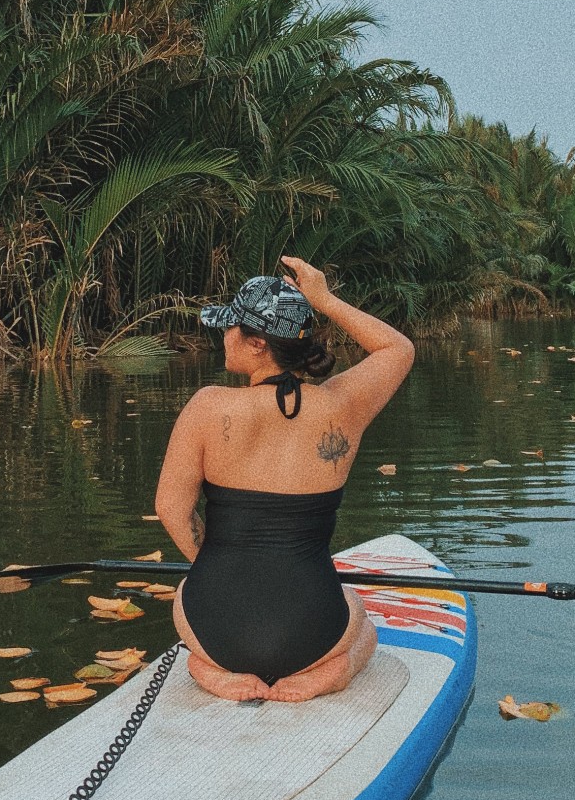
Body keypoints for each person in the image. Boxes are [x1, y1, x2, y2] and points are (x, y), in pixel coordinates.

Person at [155, 256, 415, 704]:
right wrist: (324, 299)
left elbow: (171, 510)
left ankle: (208, 670)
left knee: (185, 593)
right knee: (361, 619)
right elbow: (398, 349)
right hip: (312, 633)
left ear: (257, 343)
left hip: (218, 627)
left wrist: (220, 569)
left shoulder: (207, 406)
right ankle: (336, 671)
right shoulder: (343, 406)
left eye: (230, 326)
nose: (224, 334)